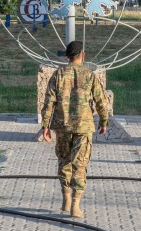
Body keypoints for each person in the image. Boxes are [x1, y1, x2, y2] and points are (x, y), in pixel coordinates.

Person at [41, 40, 108, 219]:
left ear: (68, 56)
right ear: (83, 55)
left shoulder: (58, 74)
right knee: (80, 164)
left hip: (62, 126)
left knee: (64, 161)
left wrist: (45, 126)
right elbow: (101, 100)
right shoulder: (90, 75)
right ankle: (76, 205)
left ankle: (66, 198)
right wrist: (104, 121)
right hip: (83, 127)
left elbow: (49, 102)